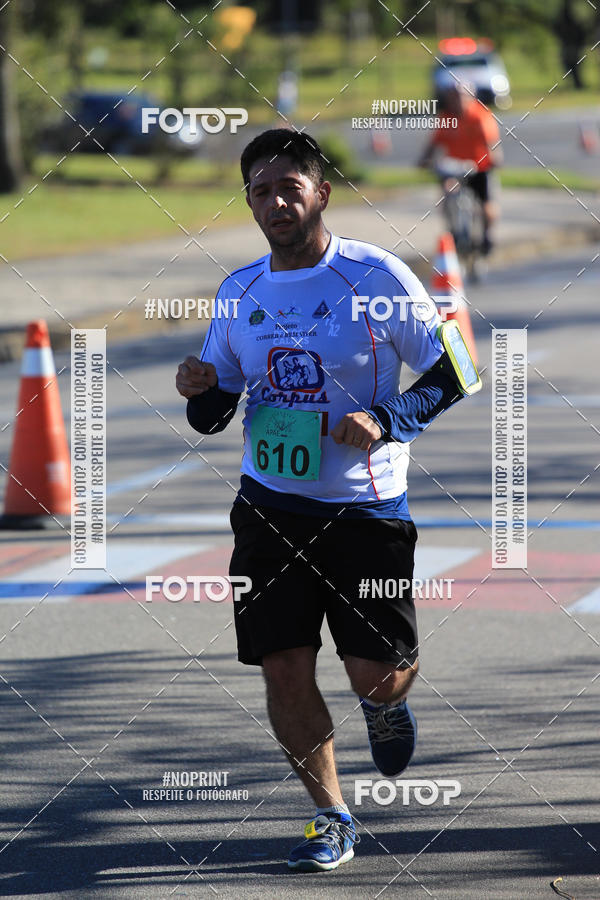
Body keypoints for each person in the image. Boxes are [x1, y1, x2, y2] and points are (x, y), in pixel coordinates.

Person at [176, 128, 472, 871]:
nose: (275, 203)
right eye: (261, 191)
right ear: (247, 200)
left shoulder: (375, 278)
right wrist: (202, 394)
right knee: (283, 665)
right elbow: (218, 407)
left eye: (290, 188)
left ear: (321, 194)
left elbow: (455, 371)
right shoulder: (239, 291)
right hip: (269, 508)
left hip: (364, 510)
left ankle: (387, 702)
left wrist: (389, 419)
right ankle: (330, 814)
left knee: (375, 672)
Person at [419, 81, 502, 255]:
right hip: (454, 169)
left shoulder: (480, 115)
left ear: (470, 97)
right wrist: (424, 160)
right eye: (453, 97)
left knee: (487, 202)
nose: (457, 101)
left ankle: (487, 235)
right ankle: (453, 229)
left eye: (461, 97)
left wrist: (495, 157)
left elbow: (491, 142)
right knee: (448, 192)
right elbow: (434, 143)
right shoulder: (446, 118)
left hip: (479, 167)